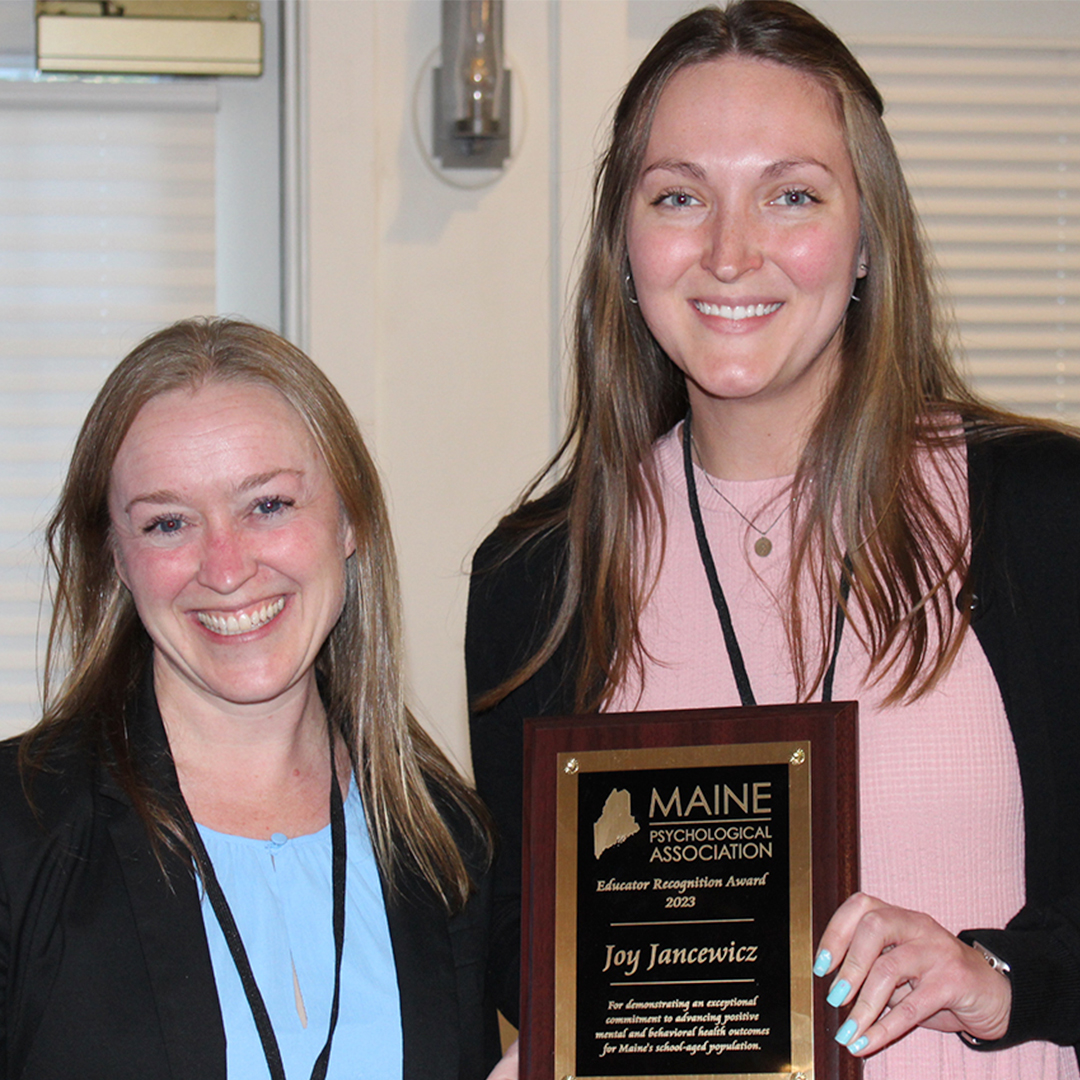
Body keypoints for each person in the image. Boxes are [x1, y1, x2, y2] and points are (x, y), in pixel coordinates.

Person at [465, 2, 1080, 1076]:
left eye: (790, 195)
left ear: (865, 239)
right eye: (679, 197)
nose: (730, 251)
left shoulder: (1041, 512)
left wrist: (998, 981)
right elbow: (532, 955)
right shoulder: (536, 575)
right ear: (625, 243)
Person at [1, 317, 505, 1079]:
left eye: (267, 505)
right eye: (168, 523)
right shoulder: (17, 834)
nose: (227, 568)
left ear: (350, 519)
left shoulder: (450, 843)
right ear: (117, 562)